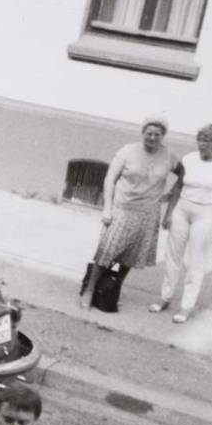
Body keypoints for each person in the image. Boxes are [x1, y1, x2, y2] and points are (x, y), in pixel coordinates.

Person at [80, 117, 180, 311]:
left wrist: (170, 200)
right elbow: (110, 179)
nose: (152, 138)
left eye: (157, 135)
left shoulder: (169, 156)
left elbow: (183, 176)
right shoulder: (128, 151)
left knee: (132, 256)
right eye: (149, 133)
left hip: (148, 213)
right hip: (123, 209)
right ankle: (89, 290)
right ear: (143, 133)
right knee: (107, 251)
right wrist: (107, 208)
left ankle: (114, 288)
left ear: (163, 136)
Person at [152, 122, 212, 325]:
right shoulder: (189, 159)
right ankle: (165, 297)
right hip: (182, 209)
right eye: (199, 139)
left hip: (207, 213)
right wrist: (169, 213)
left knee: (196, 262)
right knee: (172, 256)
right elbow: (178, 187)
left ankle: (186, 306)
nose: (201, 144)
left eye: (206, 140)